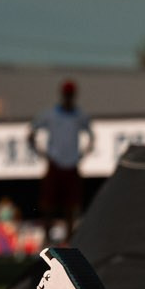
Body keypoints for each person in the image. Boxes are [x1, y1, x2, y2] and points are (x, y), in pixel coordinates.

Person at [28, 79, 95, 242]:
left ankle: (69, 240)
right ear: (62, 95)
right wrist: (42, 154)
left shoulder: (80, 116)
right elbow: (31, 133)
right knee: (48, 204)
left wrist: (81, 155)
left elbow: (91, 136)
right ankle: (46, 239)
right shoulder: (50, 114)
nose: (68, 97)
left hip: (71, 164)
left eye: (70, 94)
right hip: (55, 163)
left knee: (71, 206)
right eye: (67, 94)